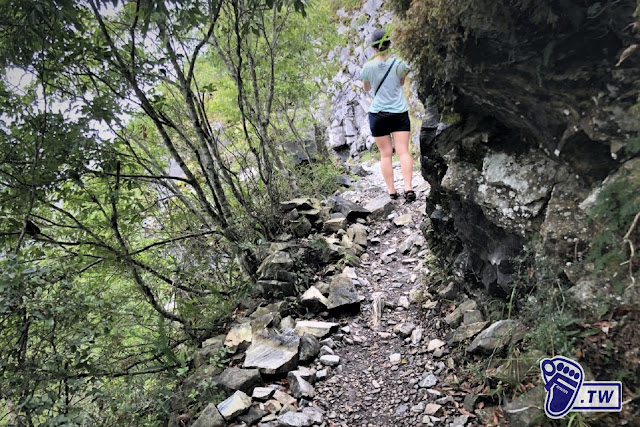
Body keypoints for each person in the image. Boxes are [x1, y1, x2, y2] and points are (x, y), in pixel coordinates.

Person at [360, 29, 415, 202]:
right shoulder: (400, 64)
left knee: (385, 154)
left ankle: (392, 191)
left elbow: (366, 88)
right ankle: (408, 188)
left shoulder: (368, 67)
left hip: (378, 114)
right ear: (389, 45)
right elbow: (400, 83)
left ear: (373, 47)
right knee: (403, 151)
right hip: (398, 111)